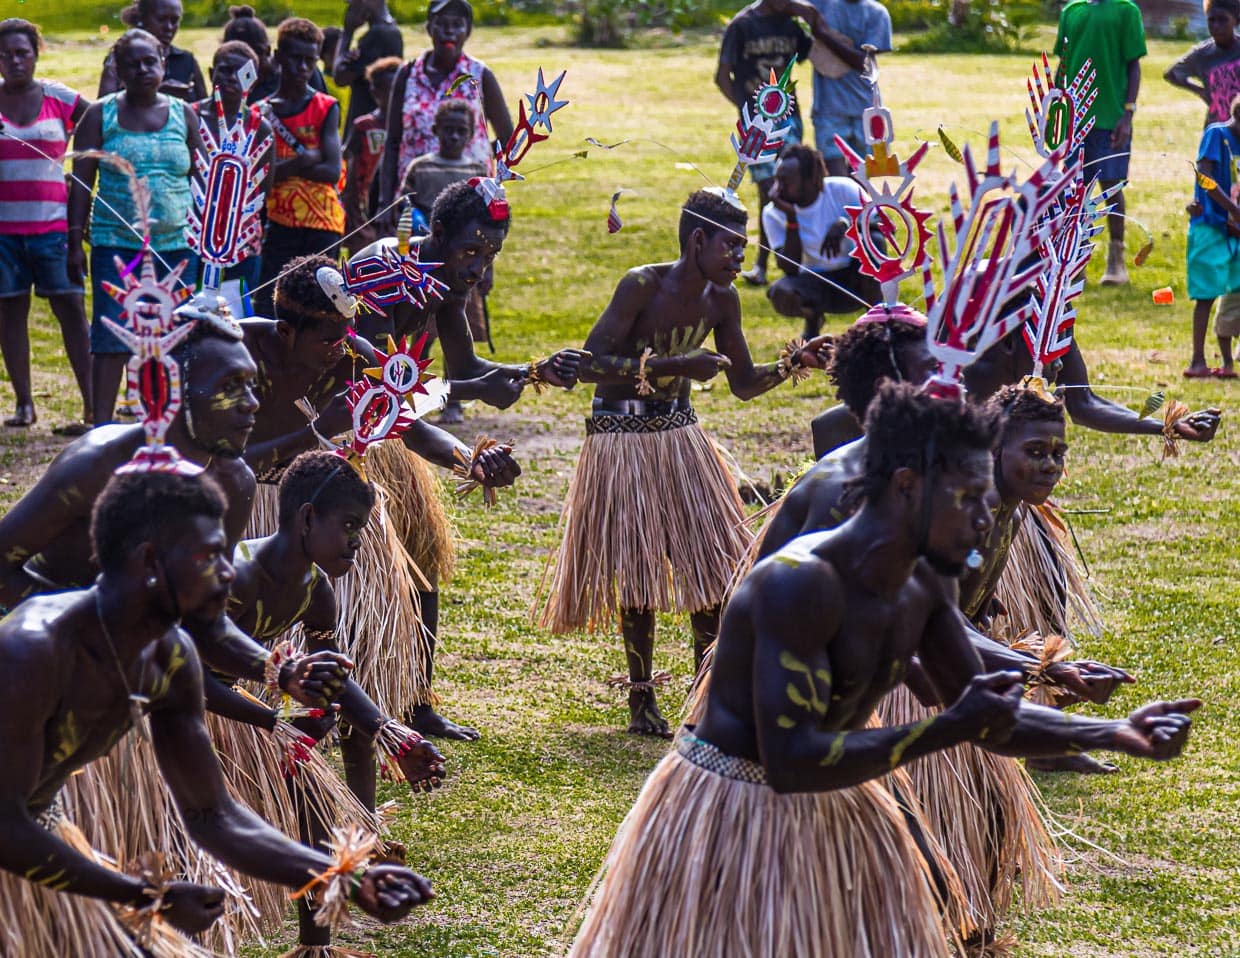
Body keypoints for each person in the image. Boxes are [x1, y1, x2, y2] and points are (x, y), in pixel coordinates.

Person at [569, 382, 1200, 957]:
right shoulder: (799, 586)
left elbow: (989, 721)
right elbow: (793, 761)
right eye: (968, 499)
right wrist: (950, 727)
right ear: (906, 486)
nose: (986, 521)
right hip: (737, 810)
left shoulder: (919, 584)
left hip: (844, 805)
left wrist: (1115, 732)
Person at [0, 468, 432, 958]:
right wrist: (144, 895)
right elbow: (6, 825)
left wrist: (346, 876)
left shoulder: (171, 656)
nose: (228, 572)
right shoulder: (29, 653)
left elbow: (212, 814)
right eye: (210, 555)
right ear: (150, 561)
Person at [536, 188, 830, 737]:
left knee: (713, 567)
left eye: (744, 246)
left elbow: (742, 384)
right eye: (732, 245)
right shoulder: (641, 284)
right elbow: (588, 364)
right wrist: (676, 363)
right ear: (698, 240)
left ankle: (706, 697)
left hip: (679, 431)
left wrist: (795, 362)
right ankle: (642, 699)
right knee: (639, 571)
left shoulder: (724, 299)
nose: (740, 257)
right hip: (620, 435)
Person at [241, 253, 522, 739]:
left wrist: (471, 460)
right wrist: (315, 432)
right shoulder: (240, 352)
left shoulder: (354, 356)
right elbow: (223, 461)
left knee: (344, 637)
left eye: (346, 333)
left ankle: (357, 721)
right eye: (328, 338)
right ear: (287, 332)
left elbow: (411, 427)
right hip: (255, 512)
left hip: (326, 516)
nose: (341, 347)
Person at [228, 450, 447, 953]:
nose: (357, 539)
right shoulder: (235, 577)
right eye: (348, 524)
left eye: (362, 526)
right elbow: (187, 673)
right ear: (307, 517)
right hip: (183, 709)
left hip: (242, 708)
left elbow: (335, 676)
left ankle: (314, 946)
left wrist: (390, 733)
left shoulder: (316, 589)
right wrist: (273, 721)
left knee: (311, 803)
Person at [67, 28, 205, 428]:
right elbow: (81, 182)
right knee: (111, 337)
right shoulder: (100, 115)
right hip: (118, 245)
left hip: (178, 248)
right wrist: (75, 242)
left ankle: (173, 423)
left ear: (163, 63)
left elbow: (202, 177)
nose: (143, 69)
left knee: (177, 336)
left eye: (151, 61)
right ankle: (102, 427)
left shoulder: (184, 114)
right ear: (118, 70)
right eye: (133, 63)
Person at [0, 18, 92, 433]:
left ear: (37, 54)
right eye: (5, 55)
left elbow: (101, 121)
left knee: (71, 311)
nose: (14, 61)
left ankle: (94, 406)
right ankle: (24, 404)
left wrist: (82, 172)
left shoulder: (61, 98)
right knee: (9, 314)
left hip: (54, 232)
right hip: (3, 236)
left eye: (22, 53)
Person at [377, 0, 514, 225]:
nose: (449, 31)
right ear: (429, 27)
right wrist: (384, 203)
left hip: (467, 198)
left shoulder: (479, 75)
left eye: (457, 24)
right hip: (416, 198)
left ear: (468, 31)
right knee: (413, 257)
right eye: (442, 24)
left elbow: (508, 138)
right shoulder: (408, 74)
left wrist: (471, 157)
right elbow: (392, 141)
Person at [715, 0, 813, 287]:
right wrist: (749, 112)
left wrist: (812, 19)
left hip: (789, 122)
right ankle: (761, 263)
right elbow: (722, 77)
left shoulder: (791, 25)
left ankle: (798, 261)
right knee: (768, 192)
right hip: (757, 126)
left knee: (795, 188)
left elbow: (816, 54)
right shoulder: (742, 26)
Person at [255, 17, 345, 317]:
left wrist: (280, 169)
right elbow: (258, 178)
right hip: (279, 223)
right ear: (279, 57)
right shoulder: (261, 113)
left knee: (319, 308)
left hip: (323, 223)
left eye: (311, 61)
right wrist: (304, 160)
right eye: (296, 59)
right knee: (270, 305)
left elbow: (332, 170)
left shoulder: (325, 107)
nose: (303, 68)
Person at [1054, 0, 1147, 286]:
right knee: (1072, 192)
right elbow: (1064, 64)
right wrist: (1056, 109)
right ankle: (1074, 259)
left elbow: (1134, 65)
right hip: (1074, 120)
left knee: (1111, 187)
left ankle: (1116, 259)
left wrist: (1127, 112)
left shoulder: (1126, 11)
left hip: (1110, 117)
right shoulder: (1071, 12)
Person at [763, 143, 879, 336]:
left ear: (810, 179)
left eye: (786, 181)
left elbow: (883, 225)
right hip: (814, 282)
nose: (777, 188)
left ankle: (876, 323)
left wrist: (846, 225)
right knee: (780, 292)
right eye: (777, 180)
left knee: (874, 240)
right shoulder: (773, 213)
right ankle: (813, 318)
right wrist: (792, 219)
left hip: (856, 278)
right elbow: (789, 267)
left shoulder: (843, 189)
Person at [193, 39, 274, 298]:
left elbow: (264, 189)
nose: (232, 78)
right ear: (210, 73)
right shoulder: (191, 117)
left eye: (242, 73)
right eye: (225, 70)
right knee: (190, 307)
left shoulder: (260, 128)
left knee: (237, 310)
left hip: (242, 239)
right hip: (193, 232)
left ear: (253, 81)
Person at [1184, 92, 1240, 379]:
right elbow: (1204, 177)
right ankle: (1197, 360)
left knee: (1236, 292)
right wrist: (1233, 210)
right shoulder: (1217, 135)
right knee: (1206, 294)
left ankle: (1230, 360)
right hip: (1210, 225)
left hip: (1235, 231)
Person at [808, 0, 891, 177]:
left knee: (862, 179)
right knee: (836, 179)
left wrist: (823, 34)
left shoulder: (876, 13)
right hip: (829, 110)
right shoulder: (820, 5)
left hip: (866, 109)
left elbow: (863, 62)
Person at [344, 55, 403, 250]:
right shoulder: (364, 126)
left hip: (399, 208)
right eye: (390, 90)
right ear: (375, 91)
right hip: (365, 211)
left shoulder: (409, 127)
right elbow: (349, 172)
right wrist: (353, 216)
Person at [98, 0, 206, 102]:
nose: (169, 27)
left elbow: (205, 109)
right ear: (142, 19)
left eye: (175, 21)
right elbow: (104, 111)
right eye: (161, 19)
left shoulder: (186, 60)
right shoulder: (120, 59)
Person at [222, 5, 328, 106]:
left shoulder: (301, 70)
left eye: (250, 63)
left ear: (267, 51)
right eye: (235, 65)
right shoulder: (233, 83)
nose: (244, 71)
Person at [1165, 0, 1240, 127]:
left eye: (1223, 20)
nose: (1216, 26)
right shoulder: (1202, 54)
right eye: (1211, 20)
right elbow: (1172, 74)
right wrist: (1200, 91)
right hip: (1217, 126)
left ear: (1237, 21)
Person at [333, 0, 403, 137]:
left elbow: (340, 77)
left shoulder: (377, 35)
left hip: (366, 132)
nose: (348, 3)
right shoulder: (391, 30)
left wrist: (347, 32)